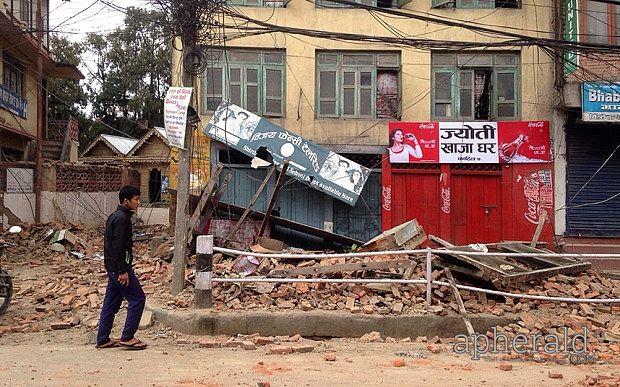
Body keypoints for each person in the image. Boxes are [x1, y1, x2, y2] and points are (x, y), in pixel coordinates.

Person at [96, 186, 147, 350]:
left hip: (112, 267)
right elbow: (118, 247)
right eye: (135, 199)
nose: (138, 203)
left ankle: (102, 338)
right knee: (138, 299)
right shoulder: (122, 219)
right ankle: (127, 337)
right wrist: (122, 270)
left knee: (111, 303)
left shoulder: (116, 216)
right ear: (126, 201)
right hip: (119, 268)